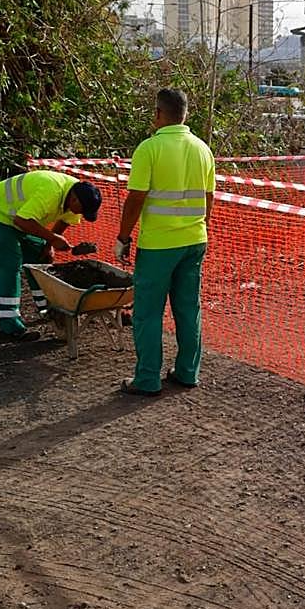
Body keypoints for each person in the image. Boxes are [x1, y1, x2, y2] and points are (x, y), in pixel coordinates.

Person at [115, 88, 215, 396]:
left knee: (147, 312)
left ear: (159, 114)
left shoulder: (149, 148)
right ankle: (187, 372)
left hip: (159, 245)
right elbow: (209, 198)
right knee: (188, 308)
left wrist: (123, 237)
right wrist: (198, 228)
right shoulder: (202, 150)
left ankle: (147, 378)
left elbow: (136, 198)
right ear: (185, 114)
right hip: (194, 240)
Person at [0, 170, 101, 341]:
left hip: (25, 216)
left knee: (40, 259)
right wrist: (52, 237)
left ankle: (47, 310)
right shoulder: (50, 192)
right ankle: (9, 325)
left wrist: (48, 245)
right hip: (0, 212)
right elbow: (21, 221)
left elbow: (64, 221)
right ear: (74, 199)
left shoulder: (76, 194)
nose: (80, 214)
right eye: (82, 210)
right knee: (9, 264)